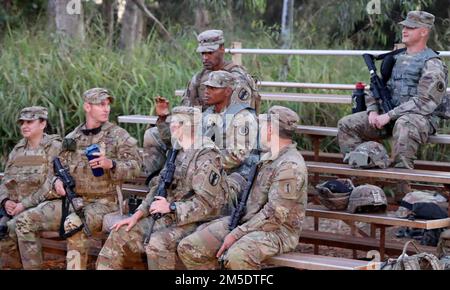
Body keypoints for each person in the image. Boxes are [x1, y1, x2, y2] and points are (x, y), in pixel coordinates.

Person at [15, 88, 141, 270]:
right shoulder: (72, 138)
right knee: (24, 221)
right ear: (87, 107)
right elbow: (55, 171)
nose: (106, 109)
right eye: (100, 104)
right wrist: (56, 183)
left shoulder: (118, 136)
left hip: (104, 203)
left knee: (73, 223)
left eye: (107, 104)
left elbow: (136, 166)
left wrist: (111, 164)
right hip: (71, 201)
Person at [96, 106, 227, 270]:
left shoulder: (206, 155)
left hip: (198, 219)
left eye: (179, 123)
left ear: (191, 126)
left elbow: (207, 204)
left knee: (156, 243)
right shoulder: (178, 150)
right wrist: (137, 215)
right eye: (173, 122)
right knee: (120, 233)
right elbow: (159, 186)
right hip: (171, 213)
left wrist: (171, 207)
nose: (173, 126)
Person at [177, 106, 308, 270]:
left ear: (269, 129)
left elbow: (274, 216)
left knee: (237, 256)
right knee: (190, 246)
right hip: (249, 220)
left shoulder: (290, 166)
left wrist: (237, 233)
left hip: (278, 231)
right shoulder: (270, 157)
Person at [338, 11, 448, 170]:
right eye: (404, 27)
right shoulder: (395, 58)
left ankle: (401, 183)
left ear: (424, 32)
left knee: (405, 124)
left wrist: (389, 115)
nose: (404, 30)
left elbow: (425, 103)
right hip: (387, 116)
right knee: (347, 124)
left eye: (411, 27)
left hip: (418, 119)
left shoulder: (432, 63)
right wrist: (373, 110)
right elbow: (378, 88)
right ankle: (362, 168)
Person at [142, 29, 260, 178]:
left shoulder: (237, 78)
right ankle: (155, 180)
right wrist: (166, 119)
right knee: (153, 134)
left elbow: (238, 117)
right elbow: (186, 112)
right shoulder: (199, 78)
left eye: (210, 53)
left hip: (226, 131)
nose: (205, 58)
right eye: (202, 53)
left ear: (222, 49)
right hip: (202, 127)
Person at [0, 106, 61, 269]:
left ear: (42, 124)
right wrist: (5, 201)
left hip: (44, 206)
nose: (24, 126)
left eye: (30, 122)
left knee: (16, 225)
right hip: (15, 207)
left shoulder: (54, 147)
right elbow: (6, 179)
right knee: (4, 230)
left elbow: (51, 185)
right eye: (22, 122)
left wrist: (23, 205)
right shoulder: (18, 149)